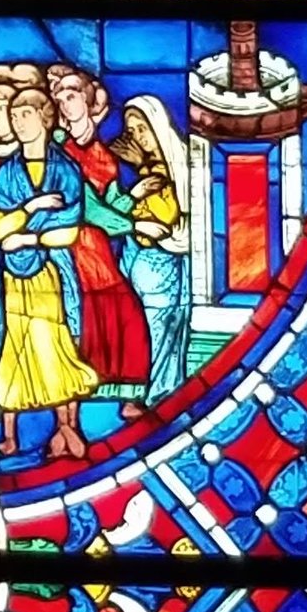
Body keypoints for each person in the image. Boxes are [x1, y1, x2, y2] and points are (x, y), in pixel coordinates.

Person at [0, 77, 98, 461]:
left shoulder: (65, 170)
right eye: (14, 114)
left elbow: (67, 231)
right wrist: (31, 209)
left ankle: (68, 427)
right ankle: (10, 436)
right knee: (13, 346)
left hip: (51, 273)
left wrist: (25, 237)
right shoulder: (6, 173)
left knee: (57, 344)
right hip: (10, 278)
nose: (18, 121)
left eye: (26, 113)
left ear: (46, 119)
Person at [45, 65, 152, 406]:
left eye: (72, 95)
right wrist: (135, 226)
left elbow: (110, 200)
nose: (64, 103)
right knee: (103, 309)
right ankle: (90, 384)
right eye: (59, 96)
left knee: (121, 311)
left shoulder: (101, 154)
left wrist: (136, 198)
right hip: (67, 242)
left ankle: (123, 389)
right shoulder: (56, 148)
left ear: (92, 103)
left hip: (96, 246)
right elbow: (86, 206)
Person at [109, 95, 193, 402]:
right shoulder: (147, 170)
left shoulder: (180, 162)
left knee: (162, 328)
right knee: (139, 328)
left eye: (142, 128)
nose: (137, 137)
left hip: (164, 259)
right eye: (131, 130)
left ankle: (161, 395)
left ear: (159, 125)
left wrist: (142, 170)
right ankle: (143, 392)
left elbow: (170, 212)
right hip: (136, 254)